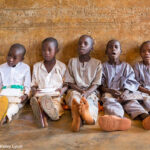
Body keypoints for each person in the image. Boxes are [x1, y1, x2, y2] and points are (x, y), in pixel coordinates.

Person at [65, 35, 102, 132]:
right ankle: (78, 118)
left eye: (86, 44)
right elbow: (70, 82)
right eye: (80, 43)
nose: (82, 45)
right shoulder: (72, 61)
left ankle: (88, 118)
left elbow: (96, 83)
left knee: (90, 102)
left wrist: (87, 92)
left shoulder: (97, 63)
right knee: (74, 99)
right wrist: (80, 90)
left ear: (91, 48)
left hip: (91, 91)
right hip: (75, 89)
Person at [30, 37, 67, 128]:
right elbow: (33, 85)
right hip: (41, 95)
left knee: (55, 104)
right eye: (43, 50)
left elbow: (66, 84)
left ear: (56, 50)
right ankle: (42, 113)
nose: (46, 53)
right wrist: (34, 90)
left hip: (56, 95)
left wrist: (62, 90)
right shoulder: (37, 66)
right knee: (40, 102)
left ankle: (46, 115)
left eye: (50, 50)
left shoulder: (61, 66)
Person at [0, 43, 31, 125]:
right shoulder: (1, 68)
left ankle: (6, 116)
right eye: (9, 55)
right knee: (2, 102)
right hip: (4, 95)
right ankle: (1, 112)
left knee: (14, 107)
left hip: (17, 97)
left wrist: (26, 95)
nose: (10, 59)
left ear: (21, 59)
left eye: (14, 58)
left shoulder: (25, 68)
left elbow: (27, 85)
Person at [133, 41, 150, 130]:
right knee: (131, 101)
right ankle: (145, 116)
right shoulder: (137, 66)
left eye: (149, 51)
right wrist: (147, 91)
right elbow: (135, 84)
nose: (146, 53)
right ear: (140, 53)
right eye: (143, 51)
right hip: (142, 91)